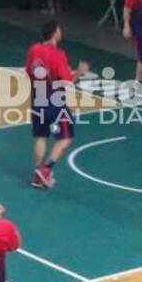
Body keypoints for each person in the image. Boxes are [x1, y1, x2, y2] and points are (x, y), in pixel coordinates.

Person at [25, 21, 89, 189]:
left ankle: (37, 175)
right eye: (59, 29)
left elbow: (29, 73)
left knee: (41, 137)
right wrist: (80, 73)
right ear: (54, 33)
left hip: (37, 99)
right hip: (55, 102)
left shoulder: (34, 50)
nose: (61, 31)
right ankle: (46, 170)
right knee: (66, 138)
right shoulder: (58, 54)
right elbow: (66, 84)